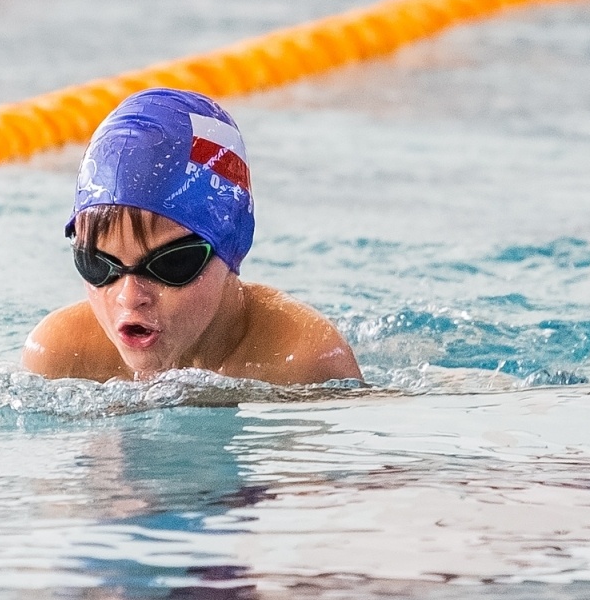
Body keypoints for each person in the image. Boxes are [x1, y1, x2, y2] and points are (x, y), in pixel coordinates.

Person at [22, 88, 362, 385]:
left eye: (171, 264)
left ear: (231, 243)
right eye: (97, 263)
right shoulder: (63, 358)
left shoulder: (302, 362)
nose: (129, 297)